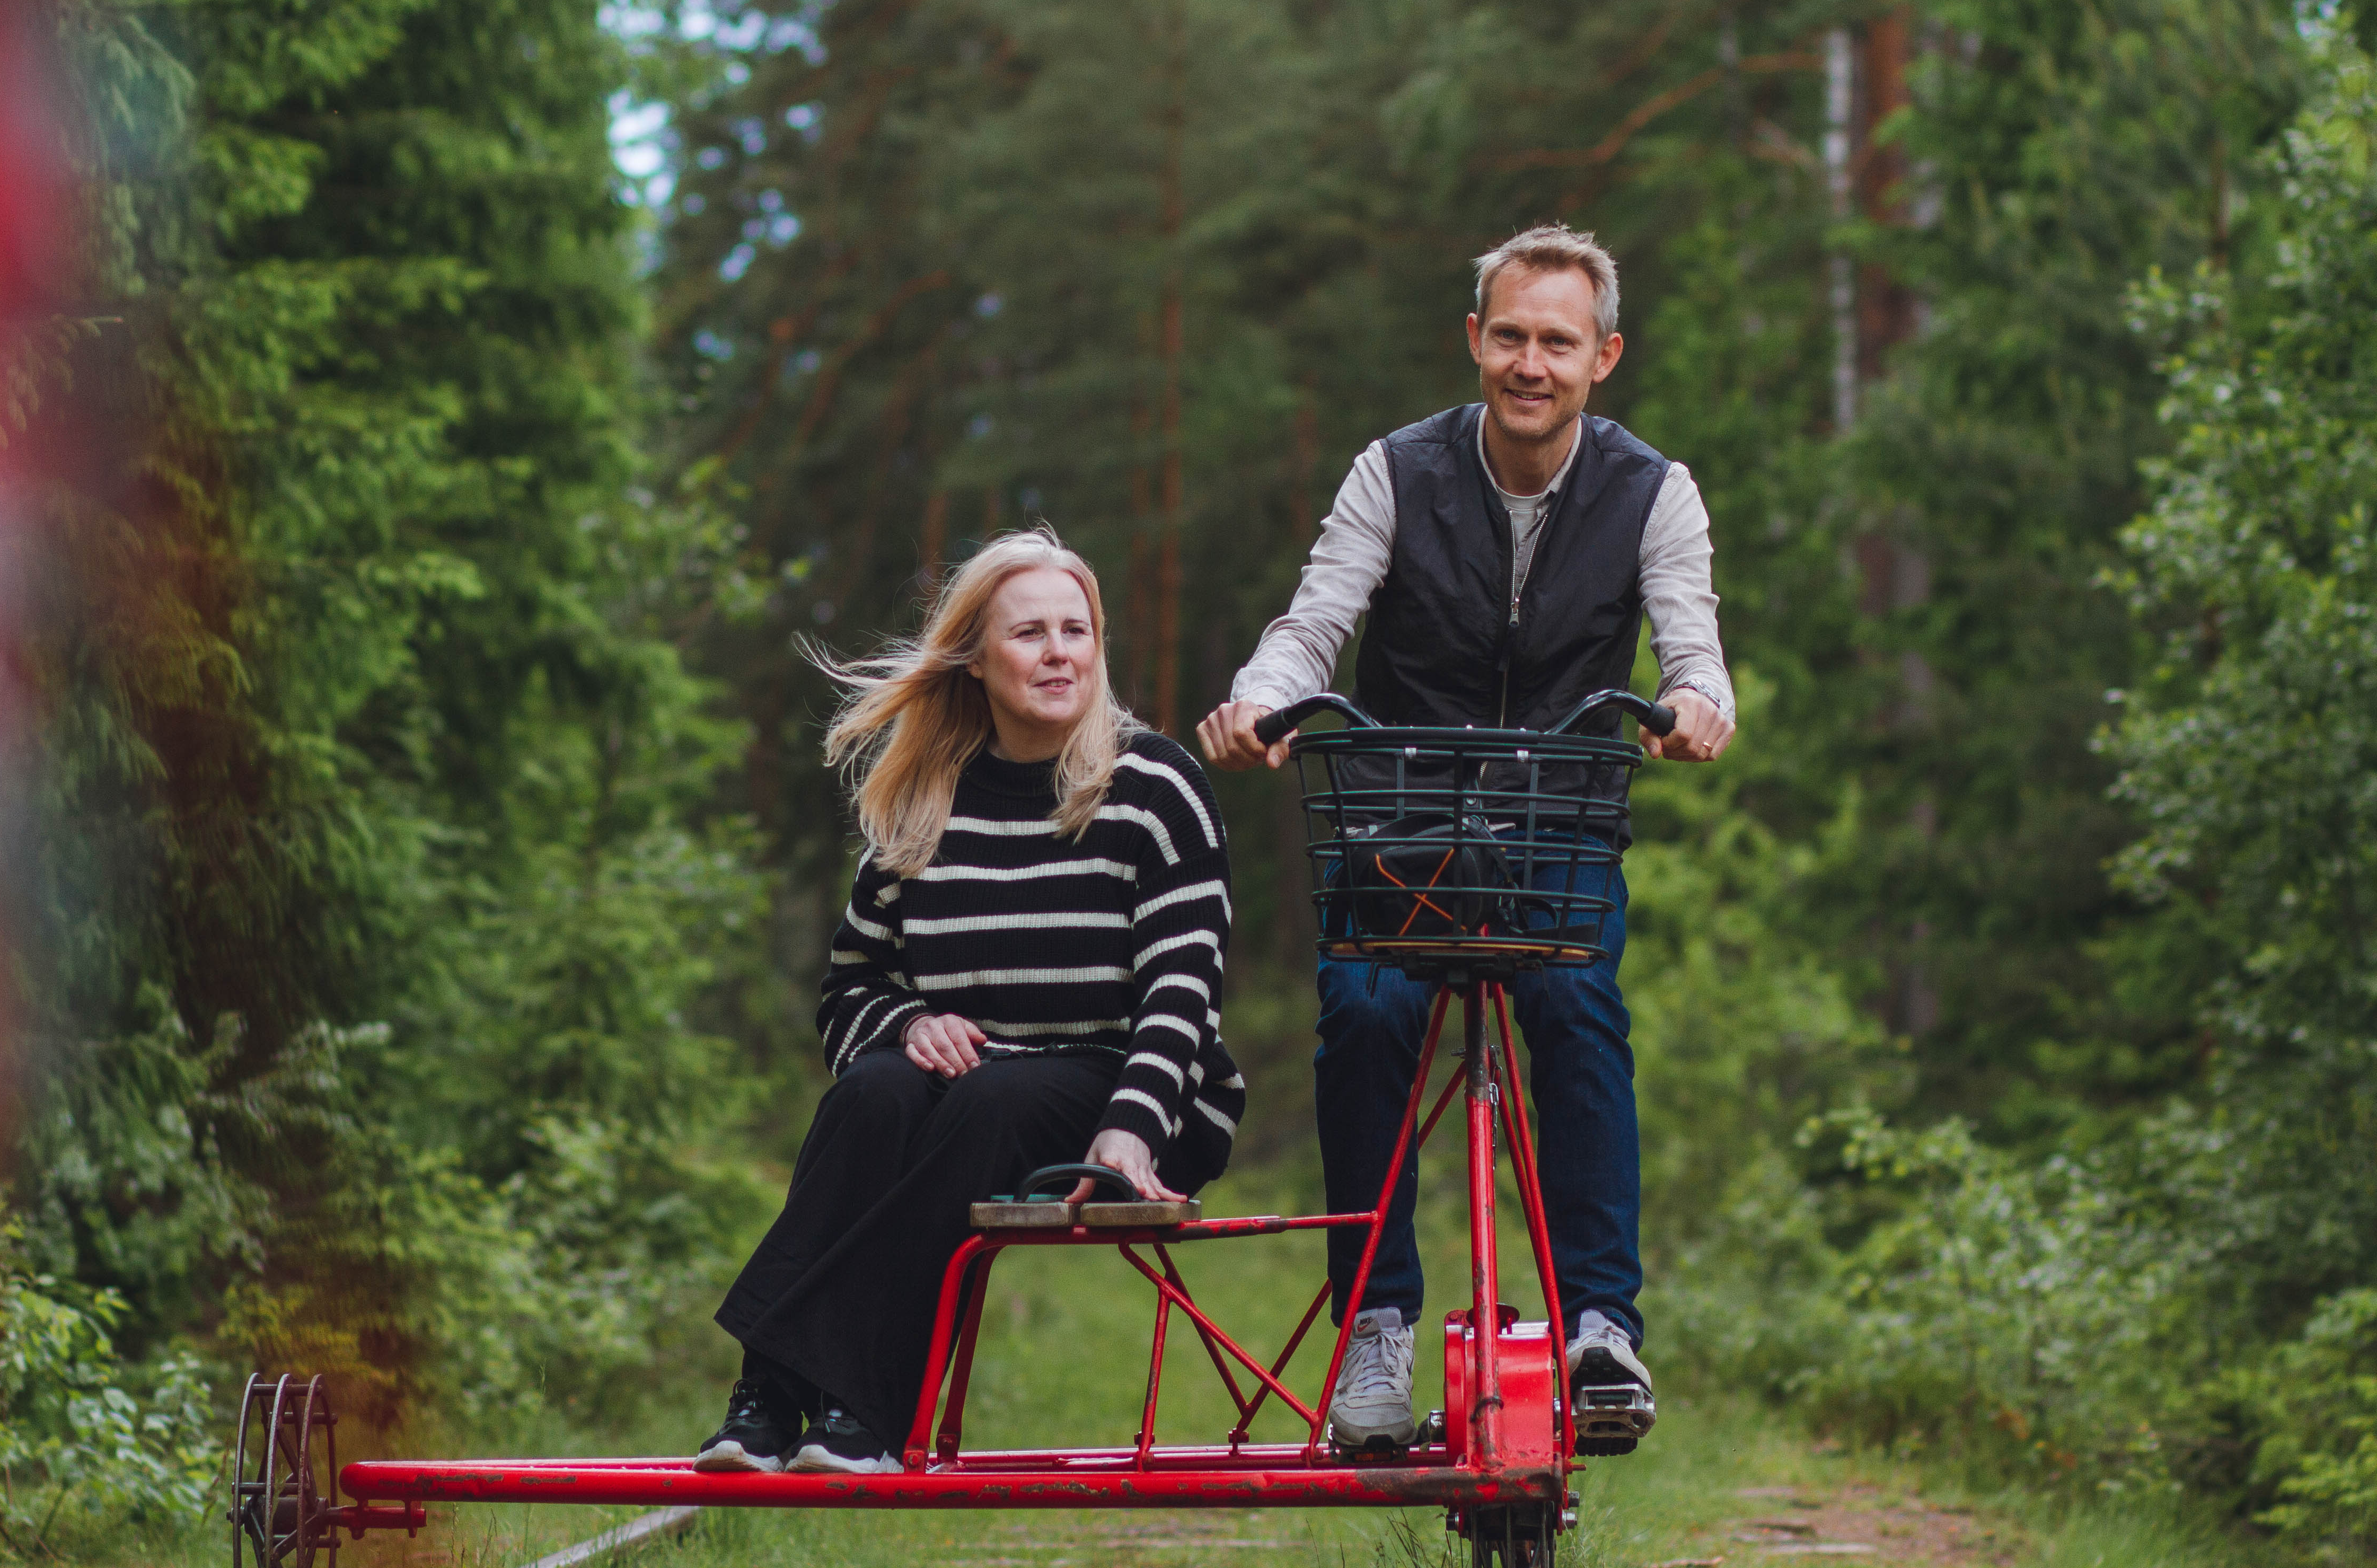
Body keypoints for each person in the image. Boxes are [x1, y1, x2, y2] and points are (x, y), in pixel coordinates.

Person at [1195, 224, 1735, 1456]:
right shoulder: (1395, 471)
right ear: (1474, 342)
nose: (1529, 363)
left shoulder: (1657, 490)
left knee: (1579, 1010)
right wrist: (1261, 697)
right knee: (1368, 1013)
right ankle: (1377, 1326)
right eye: (1509, 336)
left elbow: (1693, 645)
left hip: (1557, 822)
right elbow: (1315, 619)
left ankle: (1603, 1327)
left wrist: (1699, 705)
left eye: (1557, 341)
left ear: (1603, 357)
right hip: (1399, 821)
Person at [702, 530, 1245, 1475]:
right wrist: (910, 1023)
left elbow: (1184, 991)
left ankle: (868, 1411)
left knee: (995, 1101)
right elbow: (849, 991)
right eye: (1029, 633)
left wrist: (1133, 1128)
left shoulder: (1155, 786)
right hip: (973, 1086)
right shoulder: (926, 798)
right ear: (977, 660)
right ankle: (768, 1400)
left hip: (1138, 1091)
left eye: (1076, 630)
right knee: (872, 1093)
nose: (1058, 652)